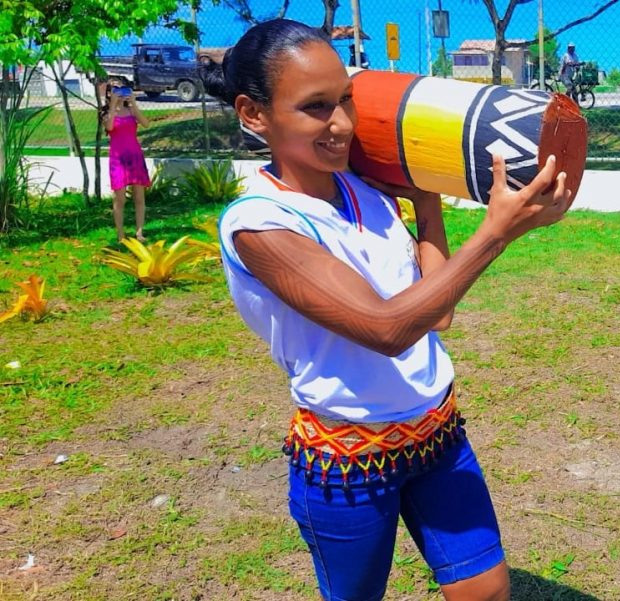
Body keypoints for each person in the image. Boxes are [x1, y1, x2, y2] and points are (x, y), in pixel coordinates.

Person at [201, 19, 572, 601]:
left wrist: (424, 195)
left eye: (345, 100)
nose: (343, 124)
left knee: (487, 591)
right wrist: (496, 233)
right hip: (346, 462)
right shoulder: (260, 225)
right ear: (254, 114)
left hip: (437, 436)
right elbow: (388, 327)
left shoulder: (363, 191)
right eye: (316, 107)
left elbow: (435, 315)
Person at [103, 82, 150, 242]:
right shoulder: (106, 113)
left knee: (139, 197)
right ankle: (120, 234)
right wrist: (113, 106)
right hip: (118, 159)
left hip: (135, 156)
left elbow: (146, 123)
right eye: (116, 90)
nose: (120, 93)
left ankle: (139, 232)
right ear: (109, 94)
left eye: (122, 89)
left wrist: (133, 105)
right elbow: (109, 127)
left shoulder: (131, 110)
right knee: (120, 198)